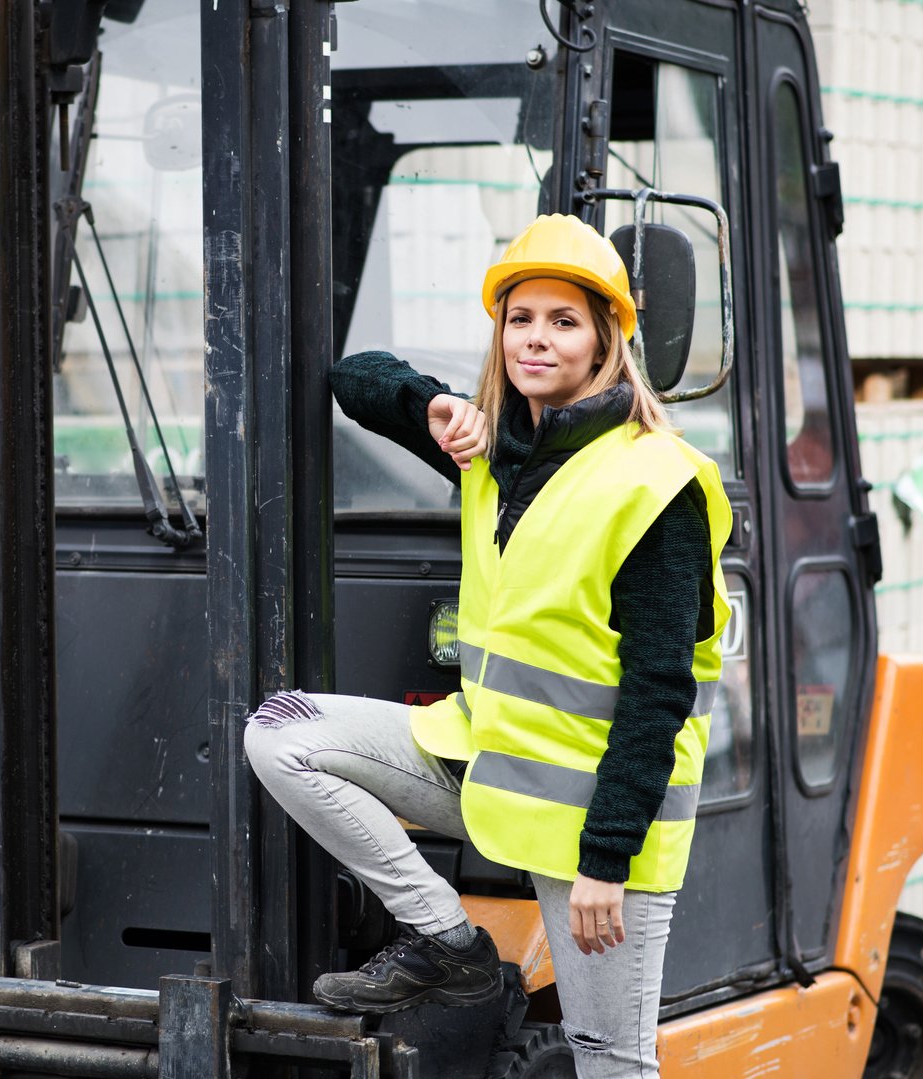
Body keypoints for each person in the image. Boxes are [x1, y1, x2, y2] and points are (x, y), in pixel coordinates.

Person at [244, 214, 731, 1078]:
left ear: (607, 339)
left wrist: (604, 862)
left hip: (599, 816)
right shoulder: (497, 451)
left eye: (563, 320)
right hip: (494, 763)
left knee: (610, 1055)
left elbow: (662, 687)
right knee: (283, 732)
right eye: (520, 318)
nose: (536, 338)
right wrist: (432, 407)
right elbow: (352, 377)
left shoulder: (655, 481)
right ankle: (446, 939)